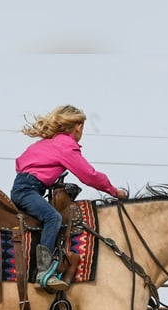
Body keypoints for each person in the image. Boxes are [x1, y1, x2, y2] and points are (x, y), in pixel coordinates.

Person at [11, 104, 128, 291]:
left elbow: (21, 164)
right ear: (78, 126)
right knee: (52, 217)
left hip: (25, 186)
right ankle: (44, 272)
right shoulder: (65, 146)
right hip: (28, 189)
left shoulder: (47, 143)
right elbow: (88, 175)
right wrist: (114, 191)